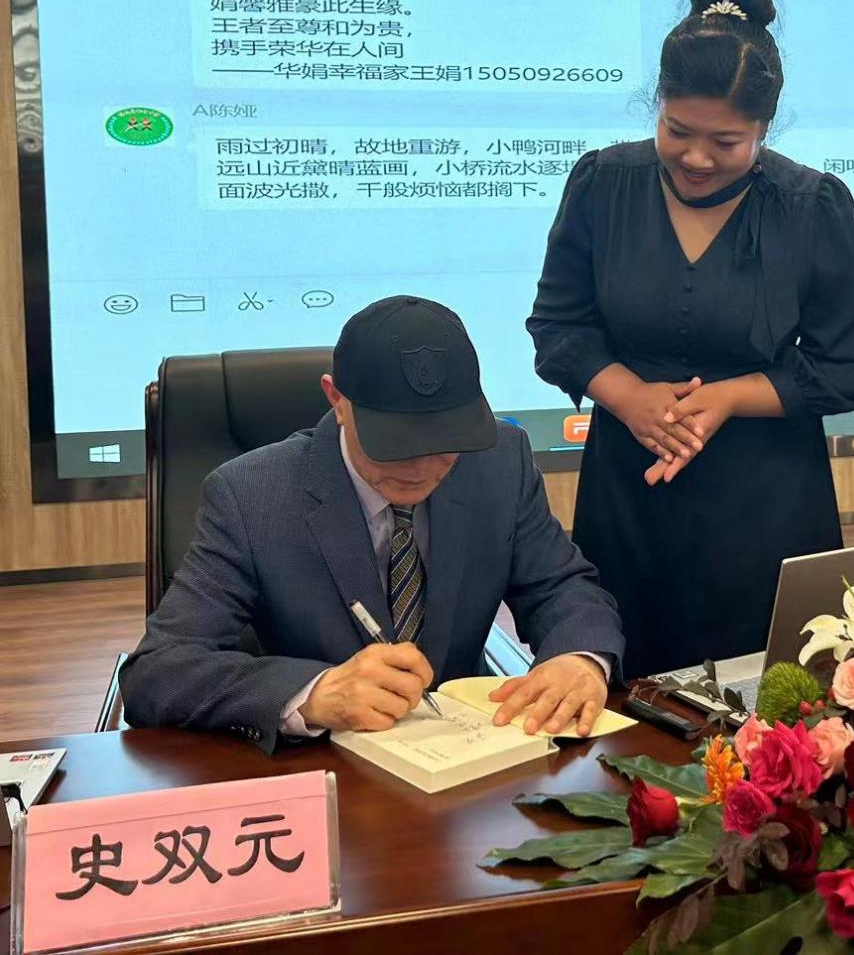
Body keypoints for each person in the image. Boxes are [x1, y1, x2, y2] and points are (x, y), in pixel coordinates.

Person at [528, 0, 854, 678]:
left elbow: (845, 366)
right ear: (657, 104)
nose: (695, 157)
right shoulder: (603, 184)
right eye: (677, 131)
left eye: (726, 142)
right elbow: (558, 327)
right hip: (629, 490)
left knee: (769, 705)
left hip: (764, 501)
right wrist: (631, 396)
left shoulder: (811, 207)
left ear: (764, 128)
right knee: (620, 689)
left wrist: (727, 398)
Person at [120, 296, 624, 752]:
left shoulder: (498, 462)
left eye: (446, 440)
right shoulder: (250, 495)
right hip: (321, 770)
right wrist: (314, 693)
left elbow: (562, 588)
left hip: (466, 757)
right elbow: (157, 671)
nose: (422, 467)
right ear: (337, 400)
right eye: (397, 443)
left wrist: (580, 657)